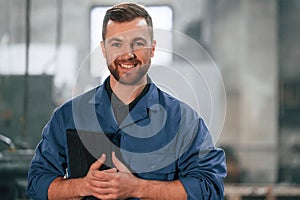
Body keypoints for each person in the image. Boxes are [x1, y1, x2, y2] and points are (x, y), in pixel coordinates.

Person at [26, 2, 226, 200]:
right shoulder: (68, 115)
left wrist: (138, 188)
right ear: (104, 49)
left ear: (153, 49)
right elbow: (37, 184)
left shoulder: (183, 121)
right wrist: (82, 185)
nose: (127, 54)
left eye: (138, 43)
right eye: (116, 44)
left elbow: (210, 188)